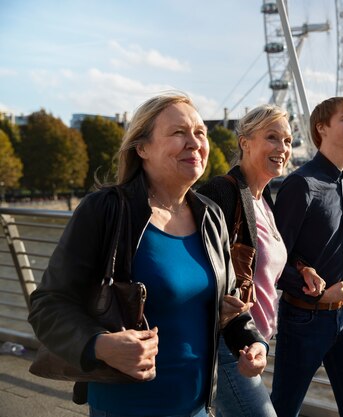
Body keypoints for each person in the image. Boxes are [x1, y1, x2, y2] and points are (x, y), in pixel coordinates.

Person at [28, 92, 267, 417]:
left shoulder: (211, 216)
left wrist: (251, 342)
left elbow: (230, 303)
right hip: (126, 407)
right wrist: (101, 345)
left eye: (200, 133)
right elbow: (48, 304)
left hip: (197, 406)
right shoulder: (106, 211)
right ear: (142, 148)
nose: (194, 142)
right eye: (178, 132)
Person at [197, 104, 325, 417]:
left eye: (288, 141)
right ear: (245, 142)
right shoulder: (222, 193)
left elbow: (266, 257)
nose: (282, 148)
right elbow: (198, 263)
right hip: (228, 343)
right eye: (272, 138)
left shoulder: (263, 201)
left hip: (256, 344)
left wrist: (302, 268)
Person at [271, 97, 343, 417]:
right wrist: (313, 291)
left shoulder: (340, 181)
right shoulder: (302, 184)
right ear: (321, 128)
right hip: (305, 320)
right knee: (284, 407)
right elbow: (272, 259)